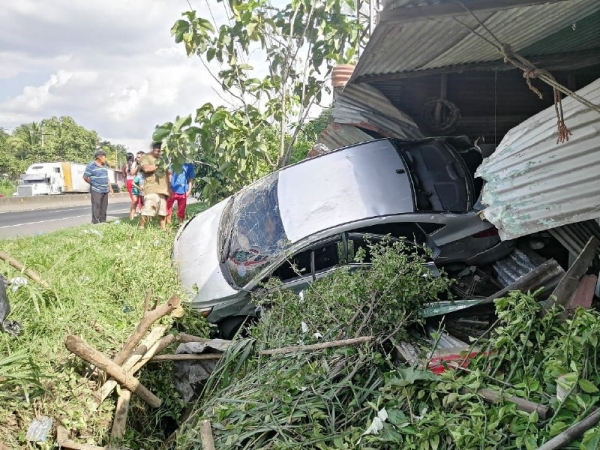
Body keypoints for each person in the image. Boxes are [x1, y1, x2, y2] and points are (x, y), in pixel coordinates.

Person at [138, 142, 171, 230]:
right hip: (151, 188)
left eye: (161, 151)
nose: (159, 153)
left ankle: (163, 229)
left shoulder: (164, 159)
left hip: (163, 189)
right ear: (153, 149)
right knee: (147, 210)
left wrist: (169, 187)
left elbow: (168, 174)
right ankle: (141, 227)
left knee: (162, 212)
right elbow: (146, 169)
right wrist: (158, 164)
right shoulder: (146, 157)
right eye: (158, 151)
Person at [83, 149, 113, 224]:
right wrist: (93, 183)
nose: (105, 159)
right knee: (96, 205)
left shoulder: (104, 166)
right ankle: (95, 221)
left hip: (105, 189)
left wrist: (110, 187)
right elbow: (85, 177)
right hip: (96, 189)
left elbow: (106, 177)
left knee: (104, 206)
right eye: (104, 157)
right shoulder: (91, 166)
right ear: (99, 157)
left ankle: (103, 221)